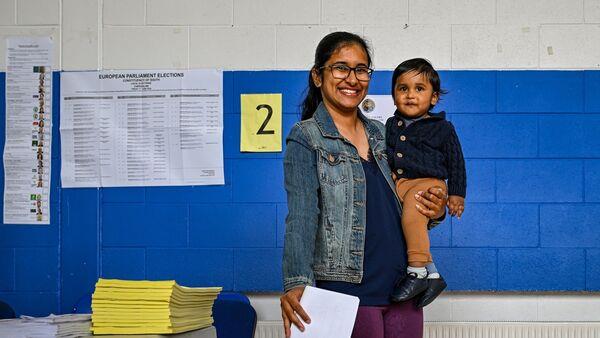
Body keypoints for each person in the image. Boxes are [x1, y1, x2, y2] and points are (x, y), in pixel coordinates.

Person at [280, 32, 447, 338]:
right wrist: (296, 282)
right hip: (347, 292)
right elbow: (302, 217)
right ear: (318, 76)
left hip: (404, 287)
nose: (352, 79)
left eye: (361, 69)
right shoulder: (306, 137)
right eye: (341, 68)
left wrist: (435, 210)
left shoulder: (384, 134)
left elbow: (404, 202)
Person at [386, 58, 467, 308]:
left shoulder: (442, 127)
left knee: (413, 215)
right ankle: (433, 274)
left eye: (419, 89)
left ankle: (416, 271)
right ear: (394, 95)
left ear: (433, 98)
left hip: (429, 184)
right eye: (403, 89)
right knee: (410, 226)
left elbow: (456, 161)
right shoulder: (390, 124)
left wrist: (456, 195)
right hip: (401, 183)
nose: (410, 95)